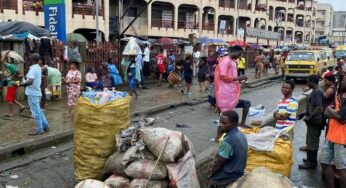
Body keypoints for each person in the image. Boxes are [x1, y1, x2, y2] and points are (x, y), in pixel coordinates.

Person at [208, 110, 248, 188]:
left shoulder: (228, 141)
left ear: (234, 124)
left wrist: (211, 173)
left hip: (228, 176)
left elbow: (218, 165)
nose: (221, 125)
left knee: (211, 181)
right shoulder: (241, 135)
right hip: (239, 172)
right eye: (220, 122)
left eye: (224, 123)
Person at [214, 46, 250, 129]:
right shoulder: (226, 61)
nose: (239, 56)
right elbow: (223, 76)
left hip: (230, 92)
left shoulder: (233, 62)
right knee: (225, 116)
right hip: (225, 93)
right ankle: (219, 136)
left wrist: (239, 81)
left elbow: (231, 77)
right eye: (239, 54)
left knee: (225, 116)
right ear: (233, 52)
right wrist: (238, 78)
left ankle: (240, 124)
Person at [320, 75, 346, 188]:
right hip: (331, 135)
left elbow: (342, 118)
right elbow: (326, 113)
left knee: (341, 168)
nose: (342, 80)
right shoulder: (340, 96)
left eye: (345, 79)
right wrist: (332, 112)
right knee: (324, 162)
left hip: (341, 138)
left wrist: (331, 110)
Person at [19, 53, 49, 135]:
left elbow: (30, 81)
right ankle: (45, 125)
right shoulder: (38, 68)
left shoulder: (33, 69)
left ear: (31, 60)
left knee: (35, 112)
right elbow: (31, 79)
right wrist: (24, 79)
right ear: (38, 60)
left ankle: (40, 129)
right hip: (37, 92)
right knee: (38, 110)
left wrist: (20, 84)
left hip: (32, 93)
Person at [298, 74, 324, 169]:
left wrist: (310, 117)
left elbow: (318, 107)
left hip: (314, 121)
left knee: (312, 142)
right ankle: (310, 159)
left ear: (313, 82)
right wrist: (304, 114)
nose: (307, 83)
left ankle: (311, 162)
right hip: (313, 120)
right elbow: (312, 107)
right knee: (310, 140)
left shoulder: (316, 92)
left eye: (308, 81)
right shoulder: (316, 90)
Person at [0, 50, 26, 117]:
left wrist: (5, 53)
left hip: (12, 84)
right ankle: (22, 106)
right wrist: (2, 73)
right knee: (11, 98)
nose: (5, 61)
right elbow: (8, 75)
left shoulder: (11, 66)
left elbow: (1, 60)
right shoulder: (13, 66)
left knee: (9, 98)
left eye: (6, 58)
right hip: (14, 83)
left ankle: (11, 113)